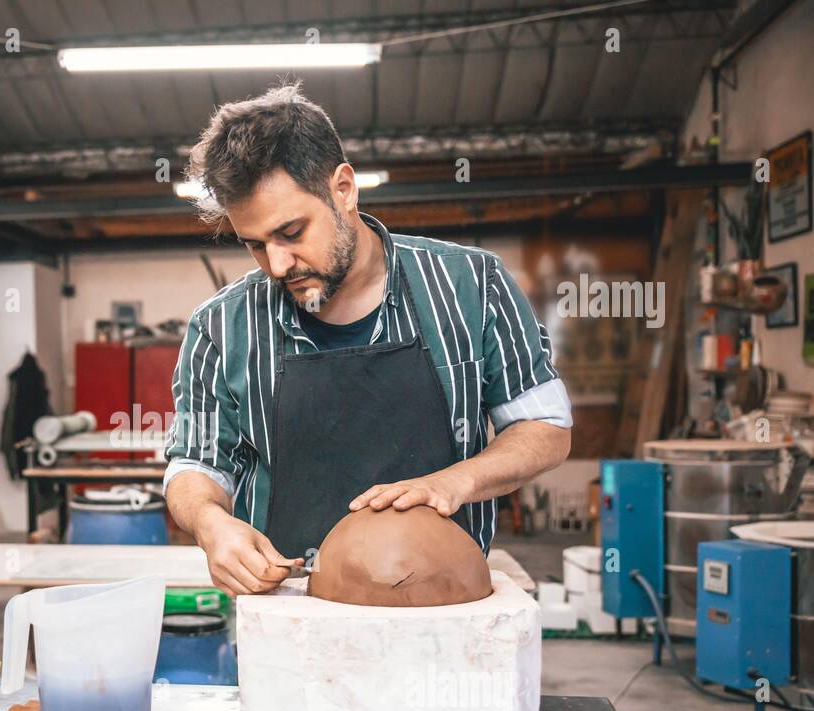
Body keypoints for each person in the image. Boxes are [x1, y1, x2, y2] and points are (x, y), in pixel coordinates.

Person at [165, 83, 572, 596]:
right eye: (255, 245)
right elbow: (197, 463)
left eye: (291, 233)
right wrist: (209, 524)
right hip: (289, 614)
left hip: (444, 607)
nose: (278, 265)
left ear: (344, 188)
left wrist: (456, 481)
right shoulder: (221, 327)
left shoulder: (471, 287)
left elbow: (546, 427)